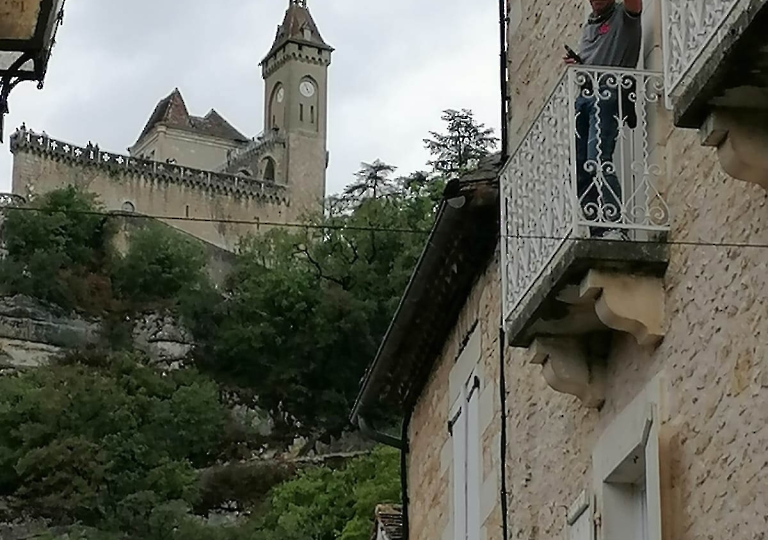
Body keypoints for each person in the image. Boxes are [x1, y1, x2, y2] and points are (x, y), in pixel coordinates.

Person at [564, 0, 642, 239]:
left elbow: (635, 5)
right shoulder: (590, 24)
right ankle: (599, 230)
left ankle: (616, 224)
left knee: (598, 159)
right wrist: (577, 65)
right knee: (580, 168)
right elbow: (589, 63)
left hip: (609, 92)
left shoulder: (624, 15)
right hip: (585, 96)